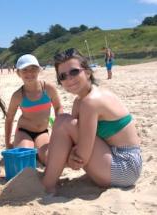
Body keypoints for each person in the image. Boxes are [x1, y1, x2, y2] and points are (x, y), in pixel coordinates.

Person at [41, 48, 142, 194]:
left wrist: (67, 158)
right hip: (112, 160)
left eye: (74, 72)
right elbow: (71, 140)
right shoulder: (80, 101)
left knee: (63, 121)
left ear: (88, 72)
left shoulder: (91, 101)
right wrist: (66, 155)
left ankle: (47, 185)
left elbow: (82, 156)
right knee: (61, 125)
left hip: (124, 167)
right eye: (62, 76)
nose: (69, 78)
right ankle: (49, 179)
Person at [4, 54, 63, 164]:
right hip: (24, 132)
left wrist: (59, 127)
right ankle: (25, 145)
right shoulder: (18, 95)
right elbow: (9, 118)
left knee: (48, 160)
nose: (29, 73)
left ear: (39, 70)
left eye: (33, 69)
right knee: (25, 161)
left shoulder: (48, 88)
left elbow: (58, 107)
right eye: (25, 70)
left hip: (42, 132)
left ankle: (36, 150)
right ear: (18, 73)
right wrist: (8, 144)